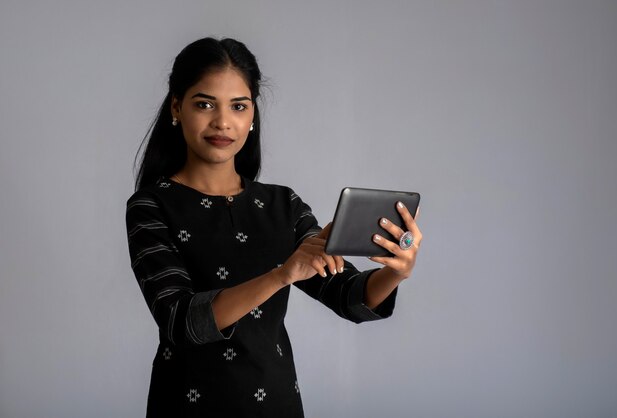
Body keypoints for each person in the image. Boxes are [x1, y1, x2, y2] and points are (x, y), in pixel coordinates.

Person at [125, 37, 422, 418]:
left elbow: (348, 296)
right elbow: (180, 321)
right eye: (204, 104)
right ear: (176, 108)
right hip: (186, 404)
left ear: (252, 116)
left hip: (276, 403)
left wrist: (396, 272)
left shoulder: (283, 205)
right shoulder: (152, 205)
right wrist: (282, 275)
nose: (222, 121)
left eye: (238, 106)